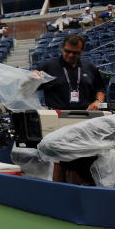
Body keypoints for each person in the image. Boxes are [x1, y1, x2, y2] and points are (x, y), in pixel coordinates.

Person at [34, 33, 106, 185]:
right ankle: (58, 192)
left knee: (81, 158)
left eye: (76, 53)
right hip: (58, 118)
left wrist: (98, 101)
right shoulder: (49, 67)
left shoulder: (89, 67)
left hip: (84, 119)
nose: (71, 55)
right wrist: (32, 77)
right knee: (59, 160)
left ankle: (80, 192)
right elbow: (29, 87)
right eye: (68, 51)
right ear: (62, 48)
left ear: (82, 52)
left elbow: (100, 89)